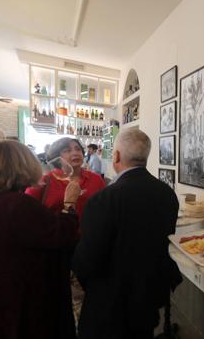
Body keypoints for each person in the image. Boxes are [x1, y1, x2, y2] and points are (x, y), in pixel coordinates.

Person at [72, 128, 182, 339]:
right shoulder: (167, 193)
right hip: (149, 291)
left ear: (116, 156)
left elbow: (88, 259)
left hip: (110, 301)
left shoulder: (103, 199)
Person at [0, 140, 80, 338]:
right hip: (21, 299)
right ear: (22, 165)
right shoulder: (18, 205)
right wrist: (69, 206)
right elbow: (59, 235)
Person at [26, 137, 106, 218]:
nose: (75, 153)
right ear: (56, 157)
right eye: (67, 150)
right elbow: (26, 211)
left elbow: (105, 209)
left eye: (78, 149)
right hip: (56, 229)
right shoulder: (44, 181)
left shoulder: (96, 179)